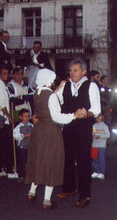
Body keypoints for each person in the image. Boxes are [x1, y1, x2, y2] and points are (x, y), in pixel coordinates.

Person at [25, 69, 86, 209]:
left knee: (38, 160)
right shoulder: (51, 96)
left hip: (39, 131)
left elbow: (47, 102)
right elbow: (57, 117)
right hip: (50, 132)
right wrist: (74, 116)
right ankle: (46, 200)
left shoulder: (37, 93)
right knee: (51, 162)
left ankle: (31, 192)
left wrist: (57, 89)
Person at [56, 59, 101, 208]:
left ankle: (85, 195)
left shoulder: (91, 86)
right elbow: (57, 101)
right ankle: (69, 188)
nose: (72, 73)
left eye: (75, 70)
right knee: (67, 158)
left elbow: (96, 108)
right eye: (70, 70)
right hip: (68, 126)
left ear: (83, 72)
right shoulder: (66, 85)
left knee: (83, 161)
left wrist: (86, 114)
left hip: (83, 128)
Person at [0, 66, 16, 178]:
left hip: (2, 120)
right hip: (1, 120)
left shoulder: (2, 85)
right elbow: (1, 103)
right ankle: (8, 169)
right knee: (5, 145)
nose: (6, 75)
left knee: (0, 146)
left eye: (7, 73)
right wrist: (9, 117)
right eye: (4, 73)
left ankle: (0, 168)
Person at [13, 109, 33, 180]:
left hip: (30, 146)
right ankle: (21, 175)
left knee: (29, 161)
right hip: (22, 146)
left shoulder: (31, 126)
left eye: (28, 116)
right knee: (22, 161)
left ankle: (29, 174)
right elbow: (15, 135)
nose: (27, 118)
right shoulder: (18, 127)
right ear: (20, 117)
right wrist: (24, 135)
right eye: (25, 116)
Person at [91, 114, 110, 179]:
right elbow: (93, 133)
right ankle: (96, 171)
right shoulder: (94, 126)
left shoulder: (104, 126)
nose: (98, 118)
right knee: (94, 159)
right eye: (96, 116)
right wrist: (92, 135)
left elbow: (108, 135)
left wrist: (100, 136)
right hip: (94, 145)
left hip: (101, 146)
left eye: (99, 116)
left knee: (101, 159)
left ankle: (102, 172)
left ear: (102, 117)